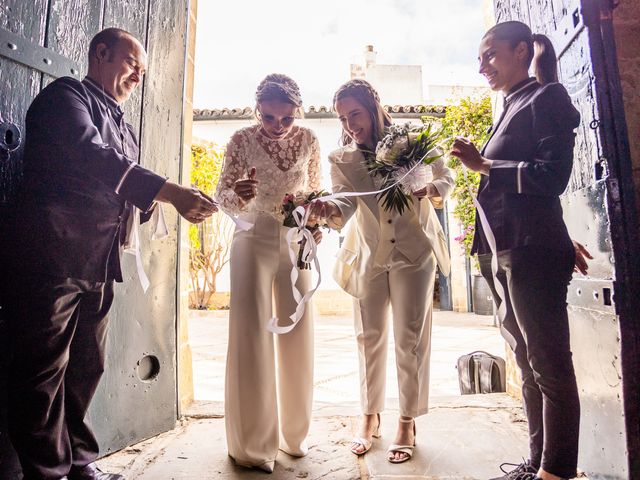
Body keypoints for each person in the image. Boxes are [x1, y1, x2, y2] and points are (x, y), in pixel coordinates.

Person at [0, 28, 217, 480]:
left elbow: (122, 196)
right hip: (53, 258)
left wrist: (155, 205)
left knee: (85, 369)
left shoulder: (125, 124)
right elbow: (91, 156)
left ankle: (80, 463)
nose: (139, 73)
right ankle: (47, 473)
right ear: (101, 53)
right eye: (131, 61)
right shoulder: (65, 98)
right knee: (42, 374)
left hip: (99, 264)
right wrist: (168, 190)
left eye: (142, 68)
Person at [451, 21, 582, 480]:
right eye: (480, 56)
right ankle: (536, 463)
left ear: (522, 50)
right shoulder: (508, 106)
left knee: (548, 364)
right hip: (503, 250)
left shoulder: (548, 97)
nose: (481, 64)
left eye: (489, 54)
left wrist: (484, 164)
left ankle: (559, 471)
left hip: (531, 252)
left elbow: (552, 177)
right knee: (525, 364)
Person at [310, 79, 454, 464]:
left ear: (374, 104)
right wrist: (326, 211)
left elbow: (446, 179)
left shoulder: (415, 140)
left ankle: (407, 419)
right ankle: (369, 415)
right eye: (343, 118)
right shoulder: (341, 159)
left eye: (354, 114)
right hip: (369, 254)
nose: (350, 124)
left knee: (410, 338)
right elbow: (345, 205)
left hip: (414, 251)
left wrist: (430, 189)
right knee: (367, 336)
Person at [215, 73, 322, 473]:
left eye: (285, 118)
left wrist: (314, 224)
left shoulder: (310, 140)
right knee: (251, 337)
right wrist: (237, 194)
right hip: (252, 237)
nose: (277, 126)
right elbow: (221, 193)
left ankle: (294, 435)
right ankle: (254, 445)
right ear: (256, 110)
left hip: (296, 242)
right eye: (269, 117)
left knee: (298, 332)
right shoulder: (241, 140)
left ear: (297, 111)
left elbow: (315, 193)